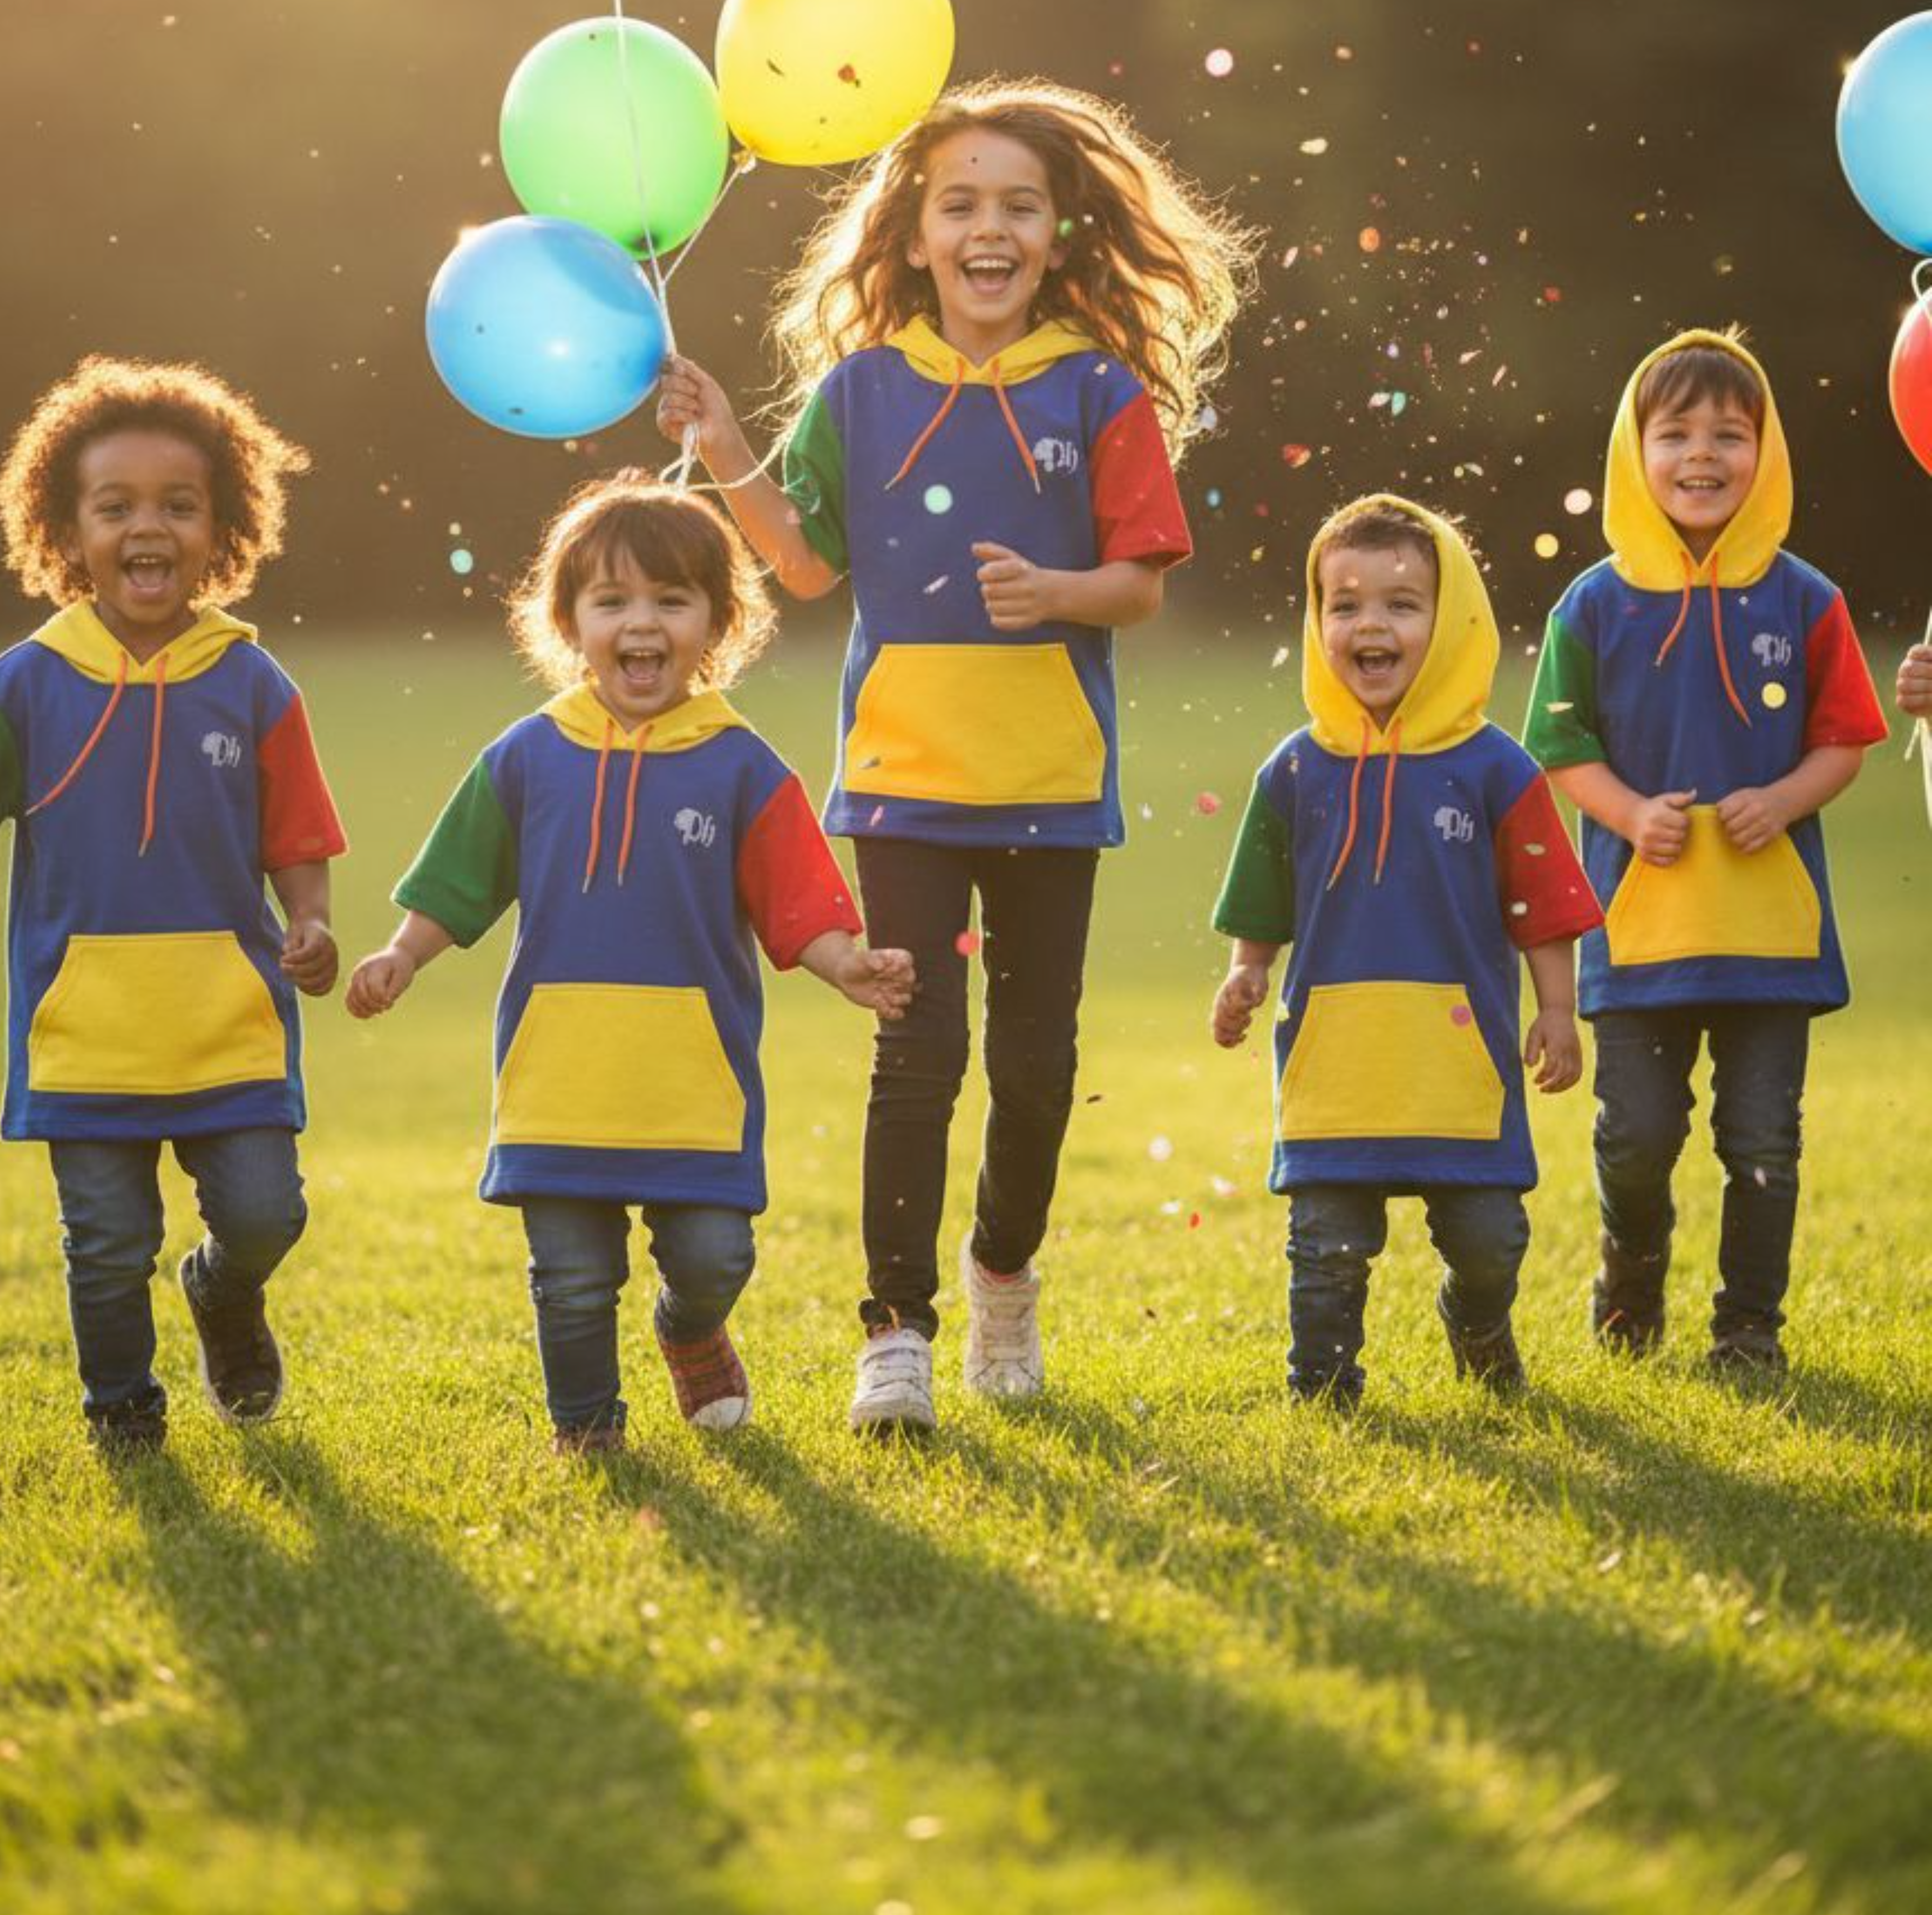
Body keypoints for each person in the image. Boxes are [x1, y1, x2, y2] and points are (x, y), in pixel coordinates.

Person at [658, 80, 1252, 1433]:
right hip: (903, 783)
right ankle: (896, 1330)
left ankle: (1001, 1273)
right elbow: (804, 565)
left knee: (1034, 1067)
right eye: (961, 204)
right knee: (915, 1056)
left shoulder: (1098, 389)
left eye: (1019, 205)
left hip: (1049, 784)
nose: (990, 228)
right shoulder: (861, 391)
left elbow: (1140, 583)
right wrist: (727, 444)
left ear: (1059, 232)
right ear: (915, 235)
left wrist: (1056, 592)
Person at [345, 474, 913, 1456]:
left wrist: (847, 966)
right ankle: (588, 1433)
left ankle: (688, 1329)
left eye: (671, 599)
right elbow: (460, 880)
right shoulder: (528, 755)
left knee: (714, 1256)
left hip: (690, 1082)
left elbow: (795, 898)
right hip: (561, 1079)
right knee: (570, 1276)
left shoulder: (741, 765)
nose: (641, 622)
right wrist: (402, 952)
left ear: (718, 622)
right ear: (570, 622)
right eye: (612, 601)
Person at [0, 356, 345, 1449]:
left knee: (266, 1212)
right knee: (107, 1242)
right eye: (115, 507)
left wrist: (311, 921)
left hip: (228, 1022)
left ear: (223, 527)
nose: (147, 526)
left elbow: (298, 839)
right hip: (87, 1030)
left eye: (178, 504)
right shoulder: (19, 686)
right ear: (67, 532)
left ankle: (222, 1287)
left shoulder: (254, 683)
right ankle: (123, 1409)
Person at [1523, 328, 1887, 1375]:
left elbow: (1844, 739)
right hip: (1641, 934)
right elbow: (1561, 750)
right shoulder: (1592, 604)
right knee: (1635, 1136)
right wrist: (1631, 813)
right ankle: (1630, 1286)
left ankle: (1748, 1329)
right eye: (1675, 432)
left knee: (1762, 1140)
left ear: (1764, 452)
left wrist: (1784, 797)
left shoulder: (1808, 599)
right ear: (1632, 452)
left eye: (1729, 434)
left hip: (1770, 936)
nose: (1701, 454)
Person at [1210, 495, 1602, 1405]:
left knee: (1489, 1241)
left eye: (1402, 603)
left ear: (1452, 619)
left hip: (1458, 1065)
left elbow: (1541, 909)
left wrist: (1557, 1009)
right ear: (1317, 622)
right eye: (1344, 604)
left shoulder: (1499, 770)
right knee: (1327, 1247)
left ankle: (1477, 1321)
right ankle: (1323, 1390)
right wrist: (1246, 972)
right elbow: (1263, 900)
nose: (1370, 625)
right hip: (1336, 1064)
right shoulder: (1295, 769)